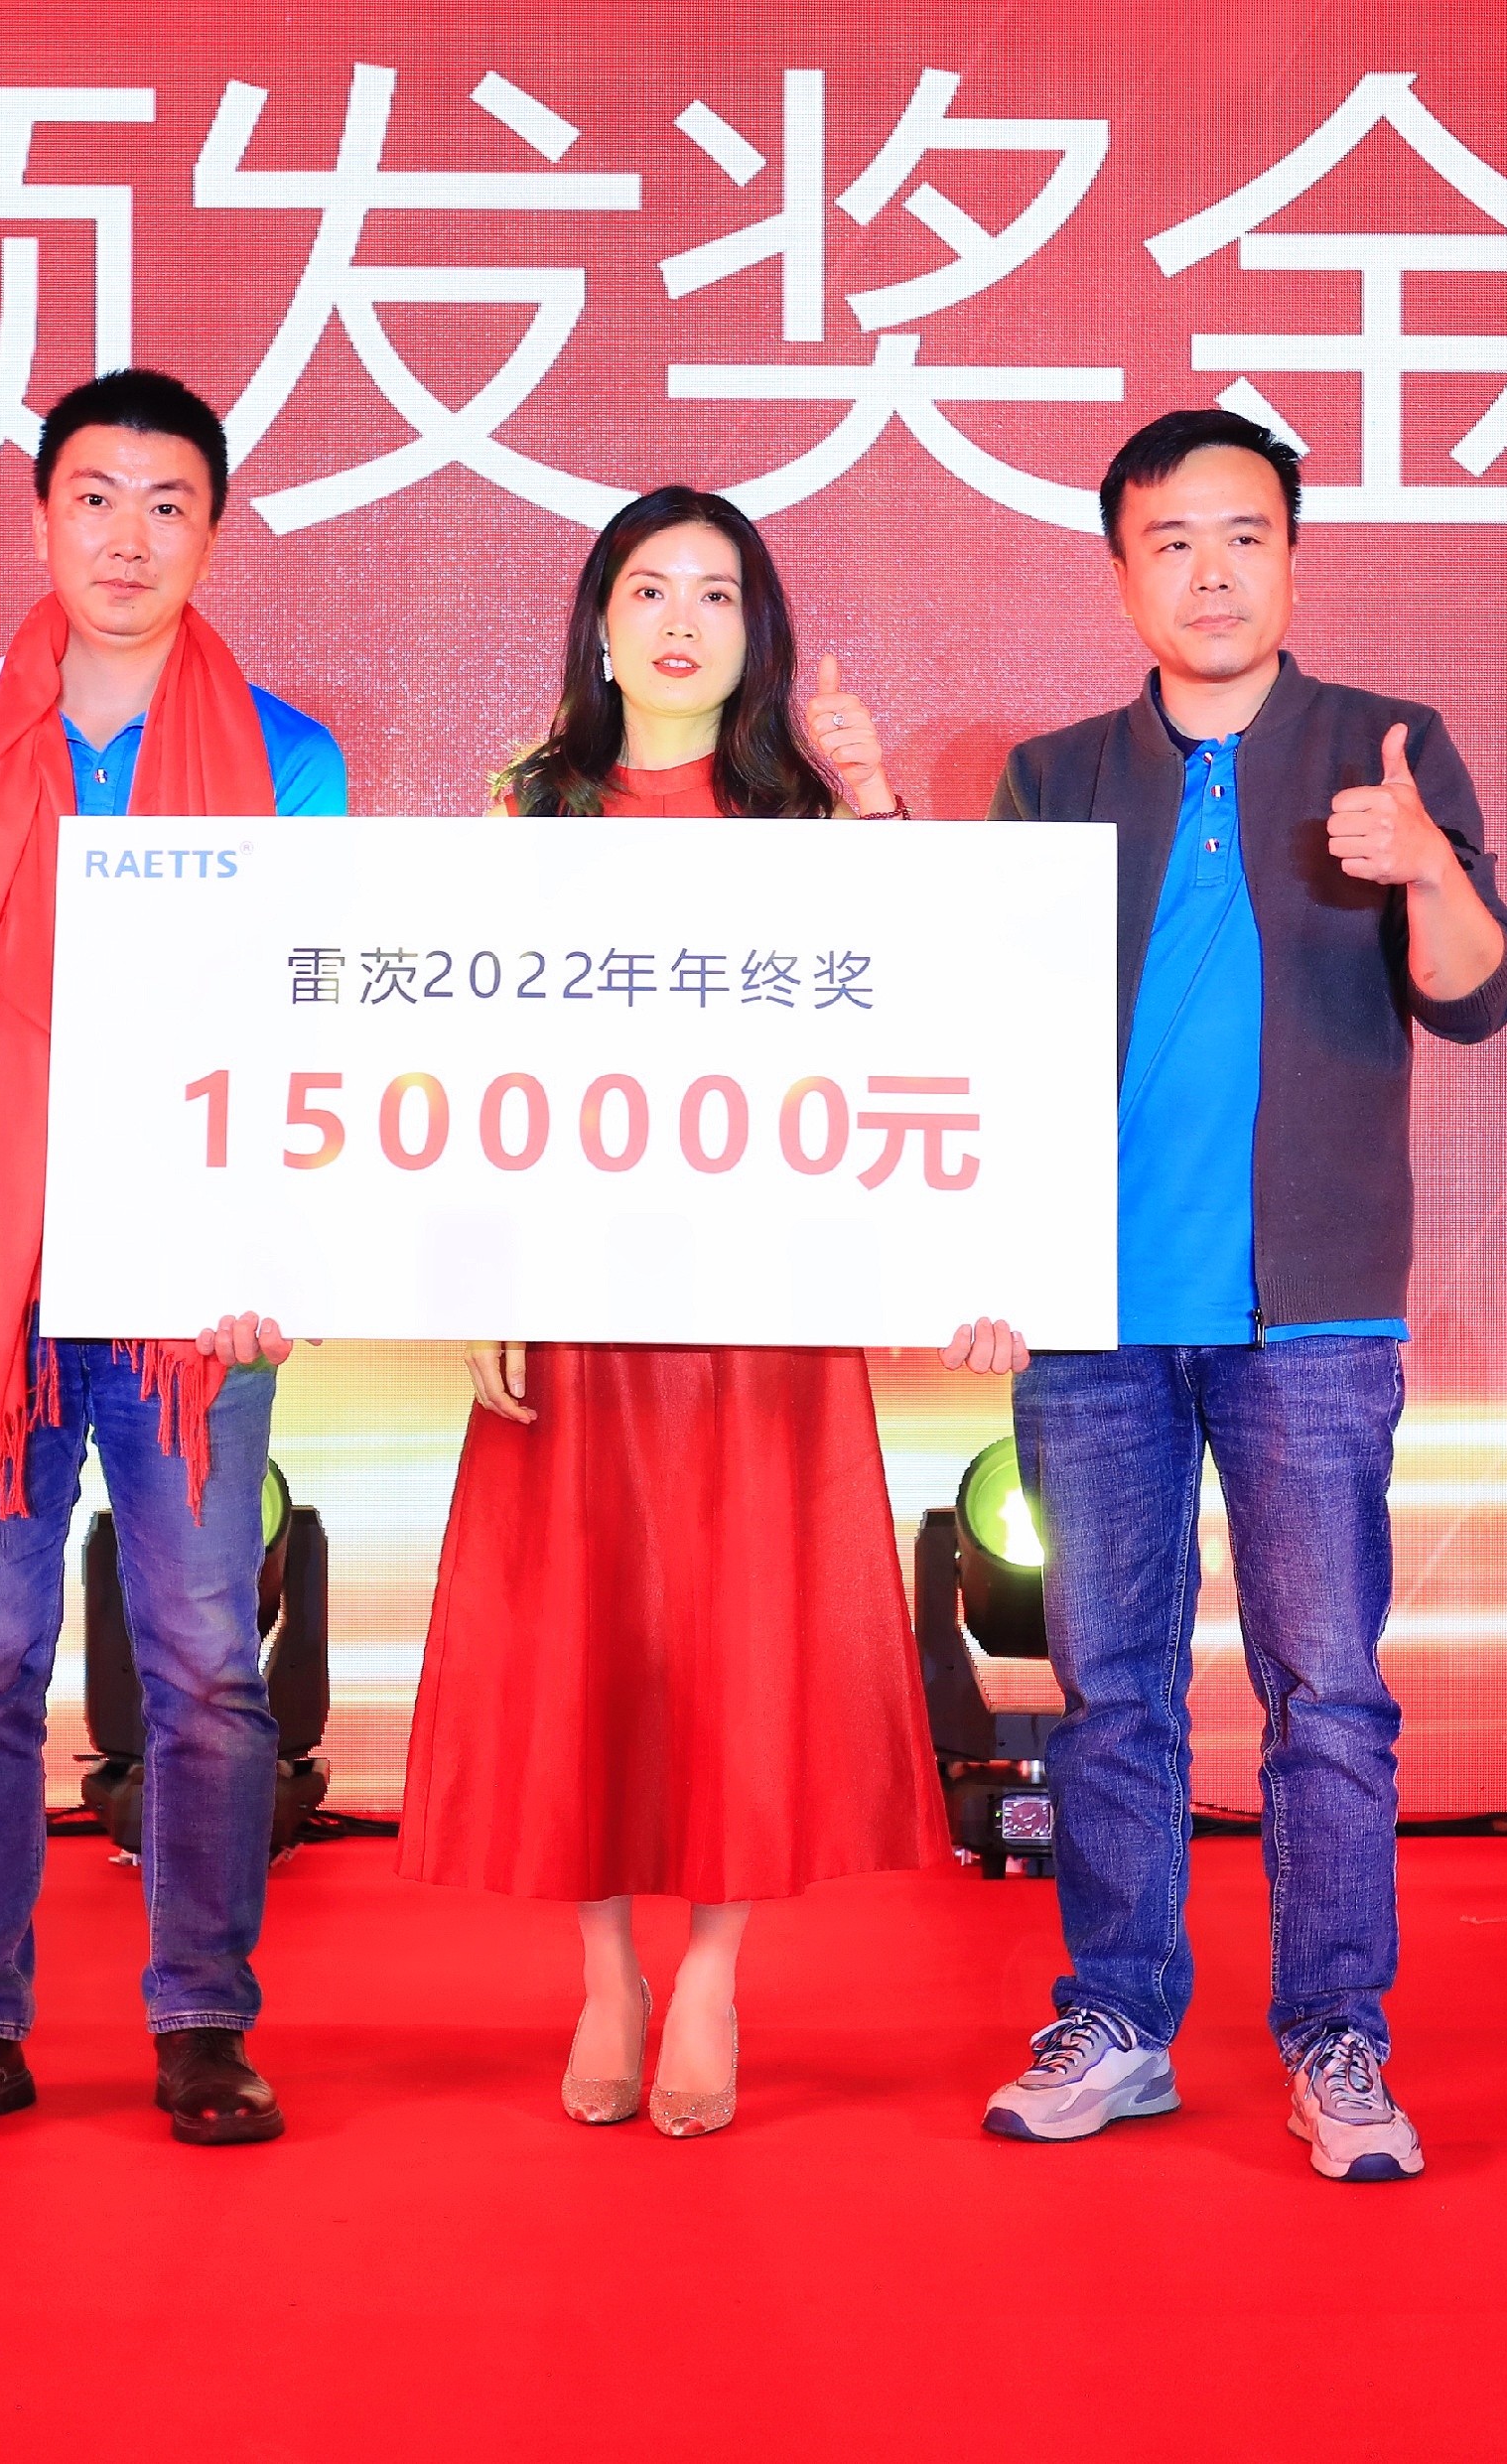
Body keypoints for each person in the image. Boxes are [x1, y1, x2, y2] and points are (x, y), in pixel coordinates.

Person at [0, 367, 349, 2148]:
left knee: (209, 1667)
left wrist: (277, 1250)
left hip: (196, 1277)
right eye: (95, 496)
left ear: (214, 532)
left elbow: (306, 1043)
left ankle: (205, 2020)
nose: (127, 536)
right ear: (40, 515)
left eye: (168, 503)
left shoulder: (293, 758)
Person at [951, 406, 1507, 2181]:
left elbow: (1475, 993)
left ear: (1293, 555)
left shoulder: (1384, 748)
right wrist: (988, 1256)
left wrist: (1425, 864)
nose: (1210, 573)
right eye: (1172, 542)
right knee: (1108, 1690)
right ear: (1121, 570)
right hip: (1094, 1318)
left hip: (1315, 1316)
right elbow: (981, 1039)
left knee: (1327, 1689)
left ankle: (1339, 2034)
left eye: (1244, 536)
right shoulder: (1054, 777)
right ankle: (1118, 2016)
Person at [395, 484, 949, 2139]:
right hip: (575, 1286)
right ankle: (604, 1973)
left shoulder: (806, 818)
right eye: (651, 587)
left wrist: (873, 801)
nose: (683, 620)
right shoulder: (527, 809)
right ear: (600, 621)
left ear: (757, 631)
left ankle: (711, 1970)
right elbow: (469, 1061)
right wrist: (481, 1269)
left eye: (718, 591)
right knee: (582, 1627)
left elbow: (935, 986)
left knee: (742, 1626)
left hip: (764, 1294)